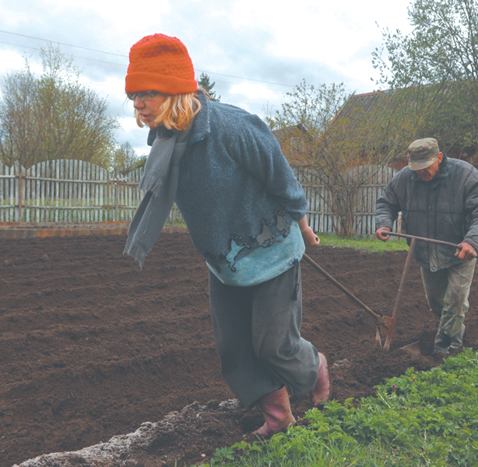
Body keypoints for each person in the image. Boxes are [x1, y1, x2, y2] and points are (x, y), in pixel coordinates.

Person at [122, 34, 330, 438]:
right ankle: (278, 418)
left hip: (270, 251)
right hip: (224, 263)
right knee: (234, 350)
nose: (137, 104)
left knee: (274, 346)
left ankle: (316, 365)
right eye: (133, 95)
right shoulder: (167, 141)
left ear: (174, 89)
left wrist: (303, 226)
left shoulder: (232, 126)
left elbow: (281, 176)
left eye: (146, 93)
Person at [375, 138, 478, 354]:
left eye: (426, 167)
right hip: (426, 251)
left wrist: (473, 241)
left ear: (439, 158)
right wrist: (384, 222)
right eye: (417, 169)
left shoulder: (465, 175)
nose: (421, 173)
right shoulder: (405, 177)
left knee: (455, 301)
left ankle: (446, 350)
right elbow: (386, 201)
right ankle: (455, 332)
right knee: (436, 303)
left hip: (460, 251)